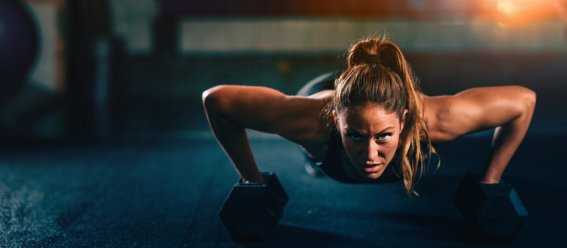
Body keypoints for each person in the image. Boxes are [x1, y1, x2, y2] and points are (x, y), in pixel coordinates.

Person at [202, 36, 536, 195]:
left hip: (379, 97)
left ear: (403, 122)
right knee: (315, 154)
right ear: (337, 123)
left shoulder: (434, 121)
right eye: (357, 137)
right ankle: (323, 151)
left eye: (384, 137)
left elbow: (524, 101)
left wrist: (490, 181)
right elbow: (216, 100)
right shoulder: (310, 121)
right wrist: (252, 180)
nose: (371, 155)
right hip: (324, 92)